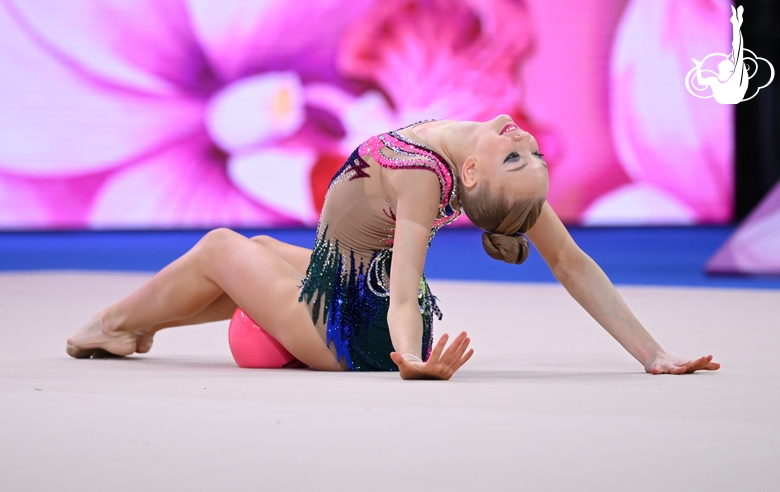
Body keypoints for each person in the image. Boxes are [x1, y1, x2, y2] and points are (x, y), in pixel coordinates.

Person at [66, 115, 720, 380]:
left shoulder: (421, 180)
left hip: (354, 327)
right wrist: (655, 355)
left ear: (468, 182)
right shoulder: (487, 170)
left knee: (218, 245)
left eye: (518, 154)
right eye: (527, 153)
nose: (522, 138)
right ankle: (136, 331)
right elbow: (571, 264)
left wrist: (411, 358)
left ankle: (111, 324)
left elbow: (408, 290)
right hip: (348, 284)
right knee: (260, 246)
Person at [691, 5, 748, 104]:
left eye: (727, 61)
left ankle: (736, 23)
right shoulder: (716, 80)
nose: (725, 59)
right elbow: (701, 82)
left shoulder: (732, 79)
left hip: (731, 97)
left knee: (737, 51)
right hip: (727, 99)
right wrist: (698, 67)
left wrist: (736, 25)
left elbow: (737, 47)